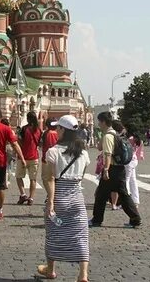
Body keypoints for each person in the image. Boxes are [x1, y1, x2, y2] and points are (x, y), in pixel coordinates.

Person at [38, 114, 90, 282]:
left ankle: (50, 269)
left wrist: (51, 202)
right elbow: (81, 177)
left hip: (59, 195)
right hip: (76, 196)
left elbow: (49, 178)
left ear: (62, 130)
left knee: (53, 233)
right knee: (80, 235)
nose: (56, 130)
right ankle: (83, 274)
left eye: (58, 128)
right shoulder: (83, 153)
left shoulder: (53, 152)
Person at [89, 111, 141, 228]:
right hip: (119, 169)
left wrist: (106, 170)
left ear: (103, 122)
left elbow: (107, 154)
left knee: (102, 195)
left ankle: (97, 220)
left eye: (99, 122)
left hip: (112, 169)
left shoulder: (108, 136)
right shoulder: (114, 134)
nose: (98, 124)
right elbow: (99, 148)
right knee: (121, 194)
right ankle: (135, 219)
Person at [16, 111, 42, 206]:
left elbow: (20, 141)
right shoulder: (39, 130)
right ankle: (31, 197)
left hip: (23, 156)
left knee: (19, 177)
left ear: (27, 118)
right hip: (34, 156)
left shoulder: (24, 129)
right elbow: (39, 143)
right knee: (33, 179)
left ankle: (23, 194)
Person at [126, 132, 144, 205]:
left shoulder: (130, 139)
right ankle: (136, 199)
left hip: (129, 160)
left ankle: (127, 200)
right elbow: (139, 152)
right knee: (133, 180)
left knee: (126, 180)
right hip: (135, 159)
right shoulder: (140, 141)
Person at [40, 122, 59, 193]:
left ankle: (50, 194)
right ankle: (53, 193)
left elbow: (42, 144)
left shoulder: (46, 133)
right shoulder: (58, 133)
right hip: (57, 158)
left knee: (46, 178)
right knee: (54, 178)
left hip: (46, 158)